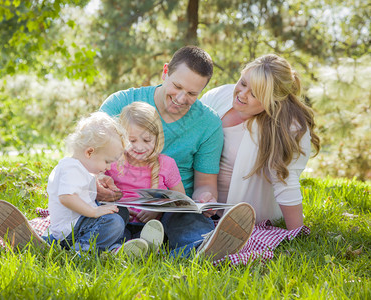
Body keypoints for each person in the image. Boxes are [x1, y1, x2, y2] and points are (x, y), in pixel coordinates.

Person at [99, 45, 256, 261]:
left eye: (192, 93)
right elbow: (89, 156)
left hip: (171, 211)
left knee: (190, 221)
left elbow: (205, 182)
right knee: (101, 216)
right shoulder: (121, 103)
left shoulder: (208, 123)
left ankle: (199, 248)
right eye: (177, 86)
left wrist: (204, 197)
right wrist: (98, 181)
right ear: (165, 72)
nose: (181, 98)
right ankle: (120, 247)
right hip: (118, 204)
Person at [0, 112, 164, 256]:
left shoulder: (80, 168)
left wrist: (97, 181)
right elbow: (66, 197)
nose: (109, 167)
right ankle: (80, 252)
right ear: (89, 152)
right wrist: (95, 211)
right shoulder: (69, 167)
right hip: (68, 232)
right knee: (113, 222)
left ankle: (116, 248)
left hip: (80, 224)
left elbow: (82, 190)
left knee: (120, 211)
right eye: (107, 161)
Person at [200, 54, 320, 230]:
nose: (242, 94)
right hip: (200, 201)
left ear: (273, 101)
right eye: (243, 83)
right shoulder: (220, 96)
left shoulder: (287, 127)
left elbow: (286, 181)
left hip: (242, 216)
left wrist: (297, 232)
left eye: (254, 94)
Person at [105, 102, 186, 238]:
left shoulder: (166, 164)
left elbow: (181, 200)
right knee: (114, 222)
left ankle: (143, 244)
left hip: (153, 226)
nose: (140, 147)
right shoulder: (113, 161)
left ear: (157, 138)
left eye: (147, 140)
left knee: (176, 221)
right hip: (119, 222)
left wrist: (157, 209)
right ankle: (121, 245)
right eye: (132, 141)